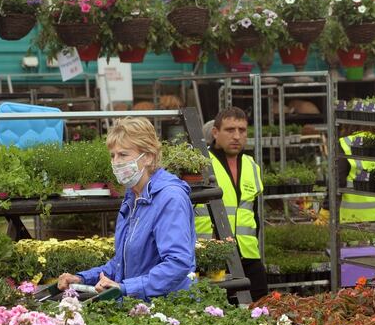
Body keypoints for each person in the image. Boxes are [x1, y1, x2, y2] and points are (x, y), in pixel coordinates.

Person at [58, 117, 196, 300]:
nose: (116, 162)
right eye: (112, 156)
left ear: (148, 157)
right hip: (139, 307)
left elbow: (177, 264)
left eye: (123, 155)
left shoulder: (170, 198)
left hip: (168, 310)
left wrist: (125, 288)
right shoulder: (133, 197)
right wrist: (81, 278)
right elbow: (123, 263)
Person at [194, 107, 268, 301]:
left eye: (242, 130)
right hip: (210, 257)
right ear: (215, 132)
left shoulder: (252, 165)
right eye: (230, 130)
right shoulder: (200, 164)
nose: (236, 136)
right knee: (215, 313)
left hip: (248, 255)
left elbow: (254, 214)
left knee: (260, 310)